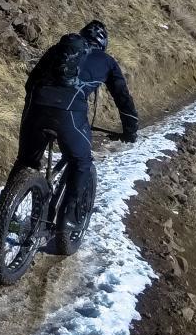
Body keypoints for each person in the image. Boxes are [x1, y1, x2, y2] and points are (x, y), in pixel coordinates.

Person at [11, 20, 139, 234]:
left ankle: (7, 213)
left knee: (26, 161)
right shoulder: (106, 61)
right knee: (81, 161)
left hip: (36, 107)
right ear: (103, 44)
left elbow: (30, 81)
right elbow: (122, 97)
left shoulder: (57, 50)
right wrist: (130, 130)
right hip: (69, 115)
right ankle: (67, 221)